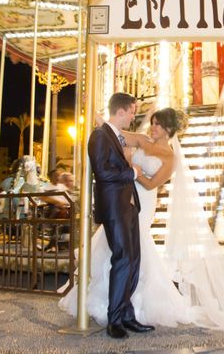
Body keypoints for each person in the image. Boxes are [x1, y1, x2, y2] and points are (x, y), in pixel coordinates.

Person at [60, 107, 224, 332]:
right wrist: (93, 110)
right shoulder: (142, 139)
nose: (153, 126)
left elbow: (152, 183)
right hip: (125, 198)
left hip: (145, 200)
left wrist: (133, 171)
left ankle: (129, 308)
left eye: (158, 123)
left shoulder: (170, 157)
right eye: (153, 122)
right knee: (117, 252)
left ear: (169, 129)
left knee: (133, 255)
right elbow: (114, 132)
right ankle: (119, 307)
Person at [82, 92, 152, 339]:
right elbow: (102, 172)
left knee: (133, 260)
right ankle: (115, 320)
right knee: (123, 259)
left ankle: (127, 315)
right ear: (121, 111)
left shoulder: (115, 136)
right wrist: (131, 173)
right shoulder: (100, 136)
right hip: (114, 207)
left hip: (128, 206)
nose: (134, 116)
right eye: (133, 111)